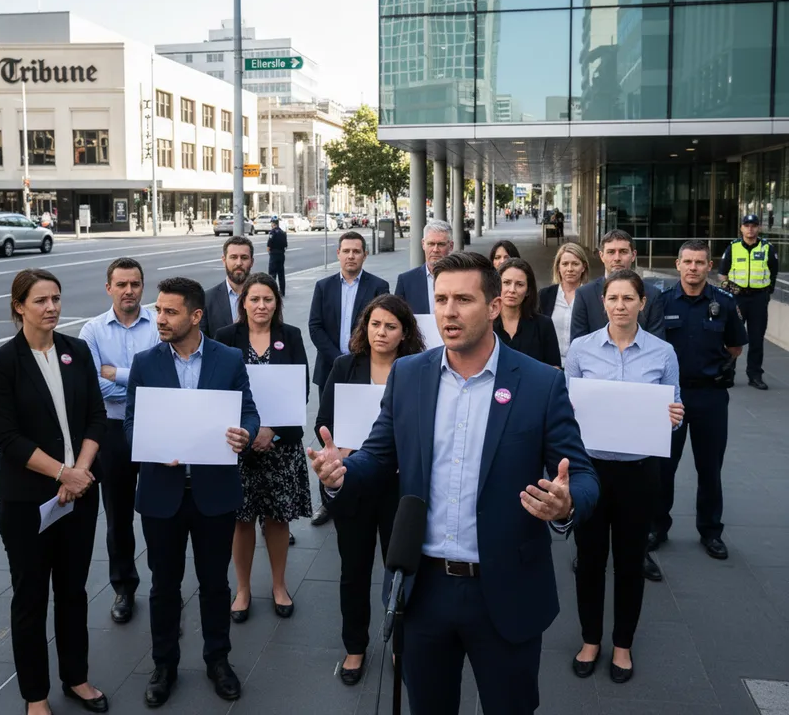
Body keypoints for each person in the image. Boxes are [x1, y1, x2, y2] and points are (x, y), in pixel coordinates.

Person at [309, 252, 600, 715]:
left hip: (505, 590)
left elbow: (582, 475)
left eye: (463, 299)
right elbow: (378, 457)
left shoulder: (541, 383)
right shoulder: (410, 375)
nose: (448, 310)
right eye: (441, 299)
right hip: (423, 591)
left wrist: (565, 505)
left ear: (492, 306)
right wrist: (340, 475)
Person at [124, 277, 259, 707]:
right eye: (157, 311)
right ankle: (164, 665)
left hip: (213, 493)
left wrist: (245, 434)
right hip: (162, 494)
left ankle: (218, 660)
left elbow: (249, 410)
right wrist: (151, 443)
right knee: (163, 585)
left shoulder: (229, 358)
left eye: (169, 312)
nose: (159, 319)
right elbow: (129, 423)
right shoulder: (145, 362)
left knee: (214, 584)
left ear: (195, 316)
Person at [0, 269, 108, 715]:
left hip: (77, 494)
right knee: (30, 598)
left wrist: (78, 473)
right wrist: (63, 474)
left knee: (74, 592)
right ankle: (35, 697)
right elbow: (8, 437)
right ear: (19, 306)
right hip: (27, 503)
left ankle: (76, 678)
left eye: (56, 298)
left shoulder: (75, 351)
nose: (52, 307)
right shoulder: (3, 363)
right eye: (41, 300)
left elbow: (96, 418)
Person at [565, 270, 684, 684]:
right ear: (603, 303)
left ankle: (622, 645)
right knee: (590, 559)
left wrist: (673, 417)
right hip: (591, 471)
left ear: (642, 303)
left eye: (628, 298)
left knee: (630, 562)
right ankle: (590, 640)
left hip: (638, 471)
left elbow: (673, 410)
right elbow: (567, 405)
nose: (620, 305)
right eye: (613, 298)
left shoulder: (662, 353)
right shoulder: (581, 349)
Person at [315, 294, 425, 686]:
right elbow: (324, 421)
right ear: (365, 327)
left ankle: (400, 644)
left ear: (404, 333)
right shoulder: (345, 366)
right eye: (375, 324)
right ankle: (355, 646)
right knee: (354, 569)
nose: (382, 332)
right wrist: (338, 451)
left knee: (400, 571)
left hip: (400, 486)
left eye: (391, 326)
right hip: (355, 484)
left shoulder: (415, 371)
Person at [215, 273, 312, 623]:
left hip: (280, 445)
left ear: (277, 304)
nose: (261, 306)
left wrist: (273, 432)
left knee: (277, 518)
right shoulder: (226, 338)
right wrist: (249, 432)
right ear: (243, 303)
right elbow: (219, 390)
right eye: (254, 299)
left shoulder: (292, 337)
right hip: (240, 445)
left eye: (268, 300)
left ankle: (279, 585)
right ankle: (242, 589)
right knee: (241, 521)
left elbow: (300, 390)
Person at [649, 240, 748, 563]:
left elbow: (735, 346)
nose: (693, 268)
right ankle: (657, 527)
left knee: (710, 467)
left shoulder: (724, 302)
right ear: (678, 265)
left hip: (711, 395)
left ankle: (711, 531)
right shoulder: (661, 302)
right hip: (671, 397)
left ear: (709, 266)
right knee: (664, 467)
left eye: (700, 262)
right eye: (688, 262)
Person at [79, 258, 160, 625]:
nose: (130, 291)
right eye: (122, 284)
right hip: (112, 432)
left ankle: (165, 586)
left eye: (136, 284)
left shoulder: (159, 322)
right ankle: (123, 587)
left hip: (157, 424)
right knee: (118, 515)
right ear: (108, 287)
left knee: (161, 510)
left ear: (143, 286)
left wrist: (120, 375)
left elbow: (164, 378)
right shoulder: (92, 331)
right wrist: (138, 382)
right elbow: (93, 384)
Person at [308, 231, 390, 527]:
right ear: (338, 254)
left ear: (364, 255)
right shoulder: (323, 286)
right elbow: (315, 326)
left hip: (364, 368)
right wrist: (337, 361)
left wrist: (356, 358)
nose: (351, 255)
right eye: (346, 251)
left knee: (366, 427)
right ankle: (329, 498)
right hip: (332, 368)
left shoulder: (379, 286)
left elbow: (382, 323)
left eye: (357, 251)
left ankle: (365, 481)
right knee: (329, 432)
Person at [717, 214, 779, 390]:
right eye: (747, 225)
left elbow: (773, 272)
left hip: (758, 299)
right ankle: (729, 374)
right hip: (737, 298)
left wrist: (767, 293)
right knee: (732, 336)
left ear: (758, 228)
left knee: (757, 338)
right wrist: (729, 289)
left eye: (753, 225)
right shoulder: (733, 247)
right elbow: (722, 273)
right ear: (741, 228)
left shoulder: (768, 248)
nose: (750, 229)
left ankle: (755, 375)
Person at [571, 230, 664, 342]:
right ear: (601, 256)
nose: (617, 258)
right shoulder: (584, 294)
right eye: (611, 252)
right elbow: (579, 344)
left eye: (623, 252)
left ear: (633, 255)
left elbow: (657, 345)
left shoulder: (653, 294)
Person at [494, 258, 561, 367]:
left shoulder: (544, 325)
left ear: (528, 291)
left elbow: (554, 369)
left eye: (519, 284)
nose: (512, 290)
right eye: (506, 283)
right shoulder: (485, 324)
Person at [540, 243, 591, 366]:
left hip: (583, 365)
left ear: (583, 267)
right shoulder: (545, 295)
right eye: (565, 264)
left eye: (575, 264)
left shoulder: (591, 296)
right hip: (550, 366)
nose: (570, 269)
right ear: (558, 267)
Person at [199, 236, 255, 338]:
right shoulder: (207, 299)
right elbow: (201, 341)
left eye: (244, 257)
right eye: (233, 257)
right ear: (224, 260)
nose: (239, 263)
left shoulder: (264, 297)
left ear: (252, 262)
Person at [394, 219, 454, 314]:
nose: (435, 249)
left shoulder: (462, 279)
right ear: (423, 244)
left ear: (451, 246)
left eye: (441, 244)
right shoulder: (406, 281)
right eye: (431, 244)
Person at [267, 215, 288, 297]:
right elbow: (286, 245)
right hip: (281, 255)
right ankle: (282, 291)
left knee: (272, 274)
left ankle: (272, 291)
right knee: (281, 274)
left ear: (273, 223)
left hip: (274, 255)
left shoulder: (272, 233)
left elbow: (269, 245)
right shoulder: (283, 233)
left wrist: (270, 252)